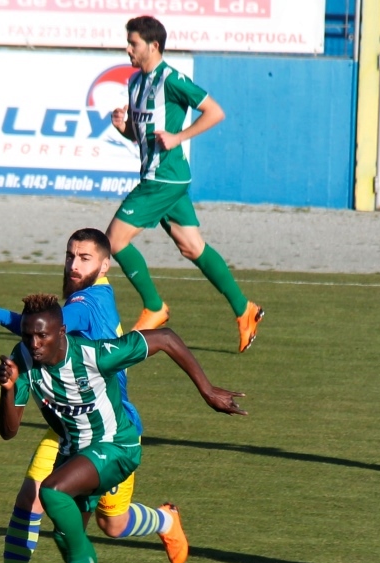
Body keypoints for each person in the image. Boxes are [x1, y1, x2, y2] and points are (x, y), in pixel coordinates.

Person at [0, 228, 189, 563]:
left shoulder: (88, 302)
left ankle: (164, 520)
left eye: (84, 258)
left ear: (105, 266)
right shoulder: (80, 299)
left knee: (112, 523)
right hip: (67, 426)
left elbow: (40, 327)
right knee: (33, 499)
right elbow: (40, 333)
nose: (73, 265)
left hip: (110, 428)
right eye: (70, 255)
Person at [0, 293, 245, 563]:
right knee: (66, 535)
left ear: (62, 332)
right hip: (75, 453)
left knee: (52, 492)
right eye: (28, 335)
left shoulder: (94, 355)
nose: (34, 343)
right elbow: (8, 431)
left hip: (117, 446)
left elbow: (166, 337)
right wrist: (8, 389)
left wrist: (207, 390)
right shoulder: (21, 360)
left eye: (42, 335)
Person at [109, 15, 264, 352]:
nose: (128, 49)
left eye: (133, 43)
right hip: (164, 178)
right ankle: (245, 310)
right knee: (192, 247)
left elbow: (215, 112)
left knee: (115, 240)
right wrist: (123, 128)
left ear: (153, 46)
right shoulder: (135, 83)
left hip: (163, 178)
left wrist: (179, 137)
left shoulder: (172, 80)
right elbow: (141, 135)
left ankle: (154, 307)